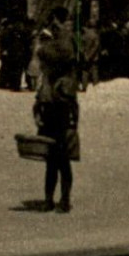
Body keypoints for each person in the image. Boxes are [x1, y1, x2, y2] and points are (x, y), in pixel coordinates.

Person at [31, 28, 79, 213]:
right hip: (50, 124)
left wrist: (72, 125)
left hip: (61, 125)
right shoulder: (49, 81)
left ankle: (64, 200)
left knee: (62, 163)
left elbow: (71, 106)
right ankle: (49, 199)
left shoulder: (63, 82)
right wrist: (37, 114)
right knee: (52, 164)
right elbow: (38, 102)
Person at [80, 19, 101, 87]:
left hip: (85, 55)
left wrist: (84, 54)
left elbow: (81, 45)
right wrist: (90, 55)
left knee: (85, 71)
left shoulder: (84, 35)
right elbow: (96, 46)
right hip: (94, 56)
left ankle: (84, 86)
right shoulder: (95, 35)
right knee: (94, 70)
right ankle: (95, 85)